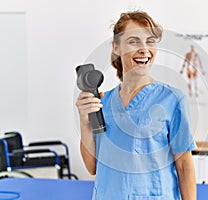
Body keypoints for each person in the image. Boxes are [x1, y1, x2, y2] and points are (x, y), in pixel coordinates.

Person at [76, 11, 197, 200]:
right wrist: (84, 121)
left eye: (150, 41)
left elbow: (184, 166)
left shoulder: (172, 99)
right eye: (134, 41)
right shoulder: (102, 102)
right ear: (116, 47)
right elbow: (92, 167)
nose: (144, 49)